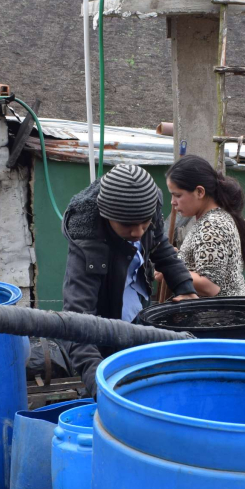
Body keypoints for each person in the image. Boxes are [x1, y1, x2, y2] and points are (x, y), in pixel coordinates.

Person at [62, 163, 197, 394]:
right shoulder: (88, 242)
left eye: (144, 224)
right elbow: (77, 323)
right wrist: (99, 386)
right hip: (104, 338)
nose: (137, 233)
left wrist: (184, 287)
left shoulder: (149, 212)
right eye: (127, 226)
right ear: (106, 216)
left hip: (137, 318)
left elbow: (159, 246)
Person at [165, 155, 245, 298]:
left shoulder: (211, 226)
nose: (173, 202)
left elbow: (209, 287)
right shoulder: (212, 218)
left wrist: (168, 268)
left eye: (178, 195)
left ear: (200, 192)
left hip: (225, 315)